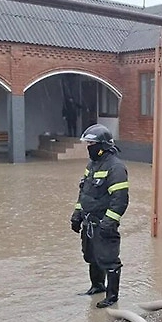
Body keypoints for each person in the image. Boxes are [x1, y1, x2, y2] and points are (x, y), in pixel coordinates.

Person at [70, 124, 129, 308]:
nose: (89, 148)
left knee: (109, 260)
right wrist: (77, 213)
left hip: (104, 223)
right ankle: (97, 286)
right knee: (92, 257)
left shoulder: (116, 168)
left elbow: (120, 200)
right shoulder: (92, 165)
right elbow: (84, 192)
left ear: (103, 145)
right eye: (87, 144)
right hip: (89, 222)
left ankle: (112, 297)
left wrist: (109, 222)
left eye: (91, 144)